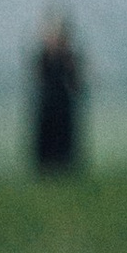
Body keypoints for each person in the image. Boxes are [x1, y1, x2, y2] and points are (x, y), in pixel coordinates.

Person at [30, 10, 85, 174]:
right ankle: (45, 168)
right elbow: (37, 78)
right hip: (47, 102)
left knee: (63, 137)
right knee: (46, 137)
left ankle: (65, 167)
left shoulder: (69, 56)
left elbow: (76, 83)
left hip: (63, 103)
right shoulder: (43, 55)